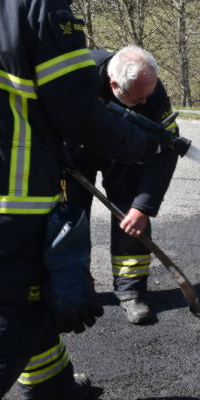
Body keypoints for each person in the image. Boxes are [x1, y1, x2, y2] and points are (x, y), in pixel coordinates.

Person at [0, 0, 159, 400]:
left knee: (25, 298)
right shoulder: (37, 1)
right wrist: (141, 146)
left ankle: (53, 393)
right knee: (1, 327)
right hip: (9, 195)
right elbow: (78, 113)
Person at [65, 46, 179, 325]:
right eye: (137, 97)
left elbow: (167, 150)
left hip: (125, 150)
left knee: (131, 216)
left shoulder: (150, 90)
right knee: (71, 221)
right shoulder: (77, 76)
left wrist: (144, 207)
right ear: (113, 84)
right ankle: (76, 288)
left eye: (147, 96)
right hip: (74, 153)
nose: (144, 102)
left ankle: (131, 292)